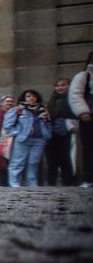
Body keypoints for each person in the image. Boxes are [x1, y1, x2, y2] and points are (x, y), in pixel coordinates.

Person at [2, 89, 51, 187]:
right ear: (24, 98)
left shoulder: (42, 110)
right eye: (28, 96)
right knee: (17, 162)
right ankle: (14, 184)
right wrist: (16, 133)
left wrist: (47, 133)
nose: (31, 98)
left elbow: (48, 123)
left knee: (33, 162)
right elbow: (7, 124)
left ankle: (32, 183)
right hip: (22, 139)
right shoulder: (18, 109)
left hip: (39, 139)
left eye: (33, 96)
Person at [45, 77, 77, 186]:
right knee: (52, 160)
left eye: (63, 85)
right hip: (52, 134)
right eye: (58, 86)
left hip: (67, 133)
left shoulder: (73, 99)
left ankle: (68, 182)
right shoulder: (52, 101)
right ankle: (51, 183)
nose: (60, 88)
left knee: (66, 159)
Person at [70, 52, 93, 188]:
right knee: (89, 149)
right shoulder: (83, 76)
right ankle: (89, 178)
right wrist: (83, 111)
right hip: (89, 117)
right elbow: (75, 94)